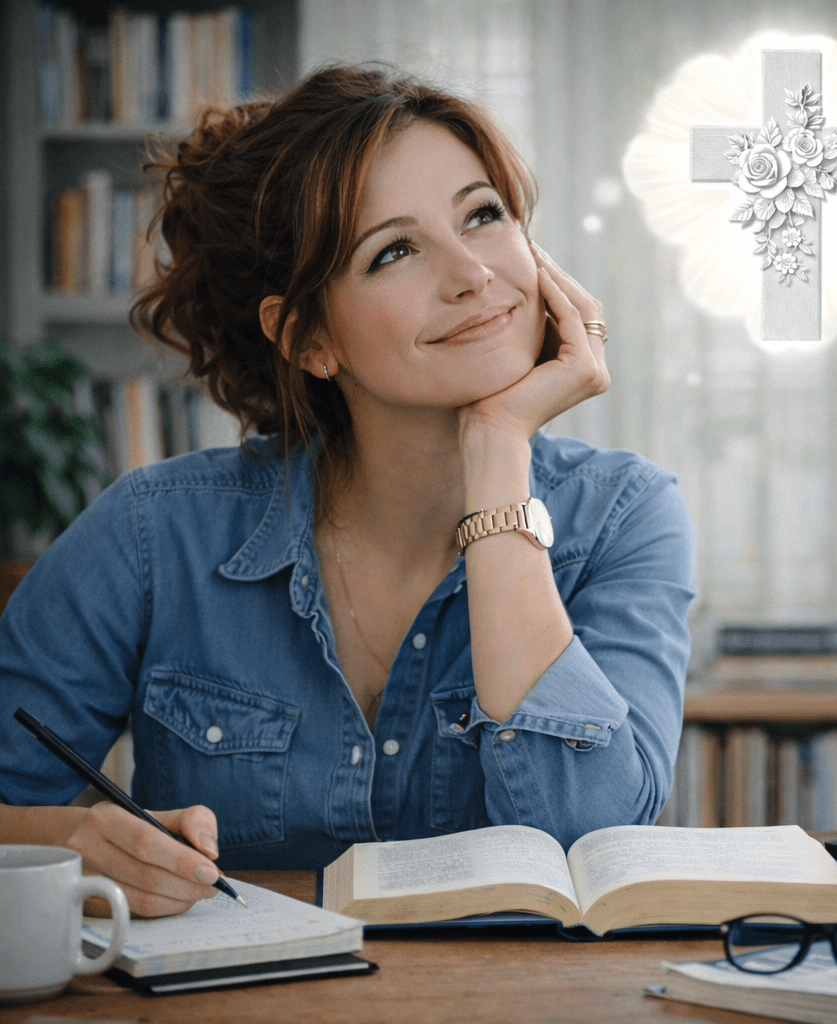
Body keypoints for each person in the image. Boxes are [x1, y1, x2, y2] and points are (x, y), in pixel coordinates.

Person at [0, 65, 695, 918]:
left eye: (482, 216)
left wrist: (498, 450)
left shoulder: (626, 516)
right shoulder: (152, 532)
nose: (472, 274)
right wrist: (75, 840)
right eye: (394, 251)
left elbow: (594, 841)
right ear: (308, 338)